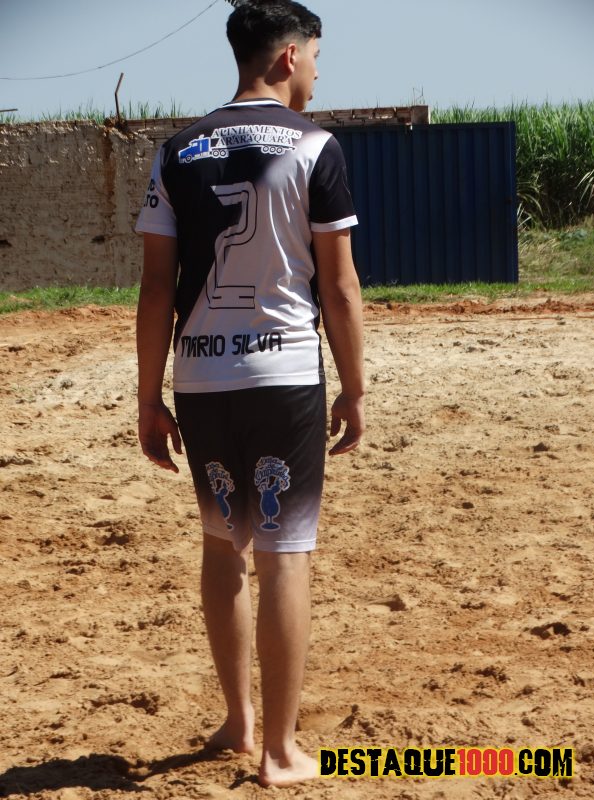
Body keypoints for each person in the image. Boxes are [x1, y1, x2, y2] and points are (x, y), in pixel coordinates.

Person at [135, 0, 365, 787]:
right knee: (284, 553)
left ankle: (239, 722)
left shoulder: (175, 151)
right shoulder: (315, 146)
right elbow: (339, 287)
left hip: (201, 378)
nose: (318, 73)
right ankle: (280, 750)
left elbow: (155, 288)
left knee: (222, 545)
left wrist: (148, 399)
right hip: (284, 378)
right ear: (288, 57)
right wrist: (356, 387)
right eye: (316, 57)